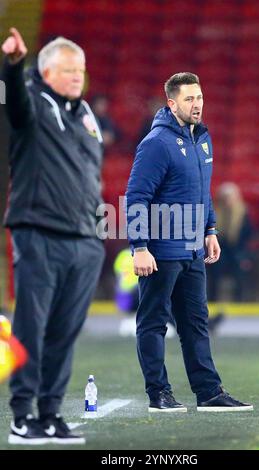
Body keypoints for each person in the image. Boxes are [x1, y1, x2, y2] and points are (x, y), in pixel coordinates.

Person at [1, 28, 105, 444]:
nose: (78, 76)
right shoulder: (32, 100)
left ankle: (51, 412)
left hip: (84, 239)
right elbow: (15, 100)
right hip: (39, 232)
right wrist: (11, 65)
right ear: (45, 71)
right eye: (68, 69)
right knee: (31, 324)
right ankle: (22, 414)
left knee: (64, 330)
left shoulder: (84, 113)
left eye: (80, 69)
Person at [125, 72, 253, 412]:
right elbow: (136, 197)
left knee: (196, 323)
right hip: (161, 251)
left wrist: (210, 230)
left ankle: (209, 392)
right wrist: (139, 247)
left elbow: (201, 189)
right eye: (189, 99)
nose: (197, 105)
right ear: (171, 103)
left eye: (199, 98)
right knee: (153, 322)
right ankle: (159, 394)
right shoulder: (155, 143)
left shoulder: (203, 138)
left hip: (193, 250)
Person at [207, 182, 254, 302]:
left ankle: (240, 300)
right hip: (221, 249)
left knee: (240, 265)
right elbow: (213, 233)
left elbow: (247, 234)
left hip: (237, 250)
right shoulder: (215, 213)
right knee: (214, 266)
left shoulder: (243, 213)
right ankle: (213, 299)